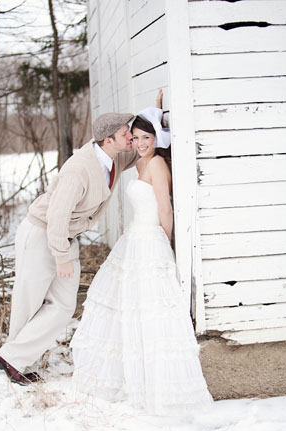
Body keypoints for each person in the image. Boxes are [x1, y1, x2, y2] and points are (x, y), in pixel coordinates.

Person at [69, 90, 213, 414]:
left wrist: (165, 244)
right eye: (134, 137)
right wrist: (156, 109)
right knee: (128, 308)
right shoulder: (140, 160)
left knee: (149, 311)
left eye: (145, 137)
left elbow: (165, 209)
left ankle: (156, 383)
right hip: (133, 239)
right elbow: (145, 137)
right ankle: (128, 376)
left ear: (156, 138)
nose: (139, 142)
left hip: (151, 240)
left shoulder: (157, 164)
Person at [0, 111, 140, 385]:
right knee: (29, 300)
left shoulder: (114, 158)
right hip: (42, 234)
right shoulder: (79, 170)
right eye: (125, 134)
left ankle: (12, 357)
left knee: (63, 305)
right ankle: (15, 363)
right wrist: (62, 257)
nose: (130, 137)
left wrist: (155, 120)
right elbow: (57, 217)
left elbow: (142, 149)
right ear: (108, 140)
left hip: (64, 237)